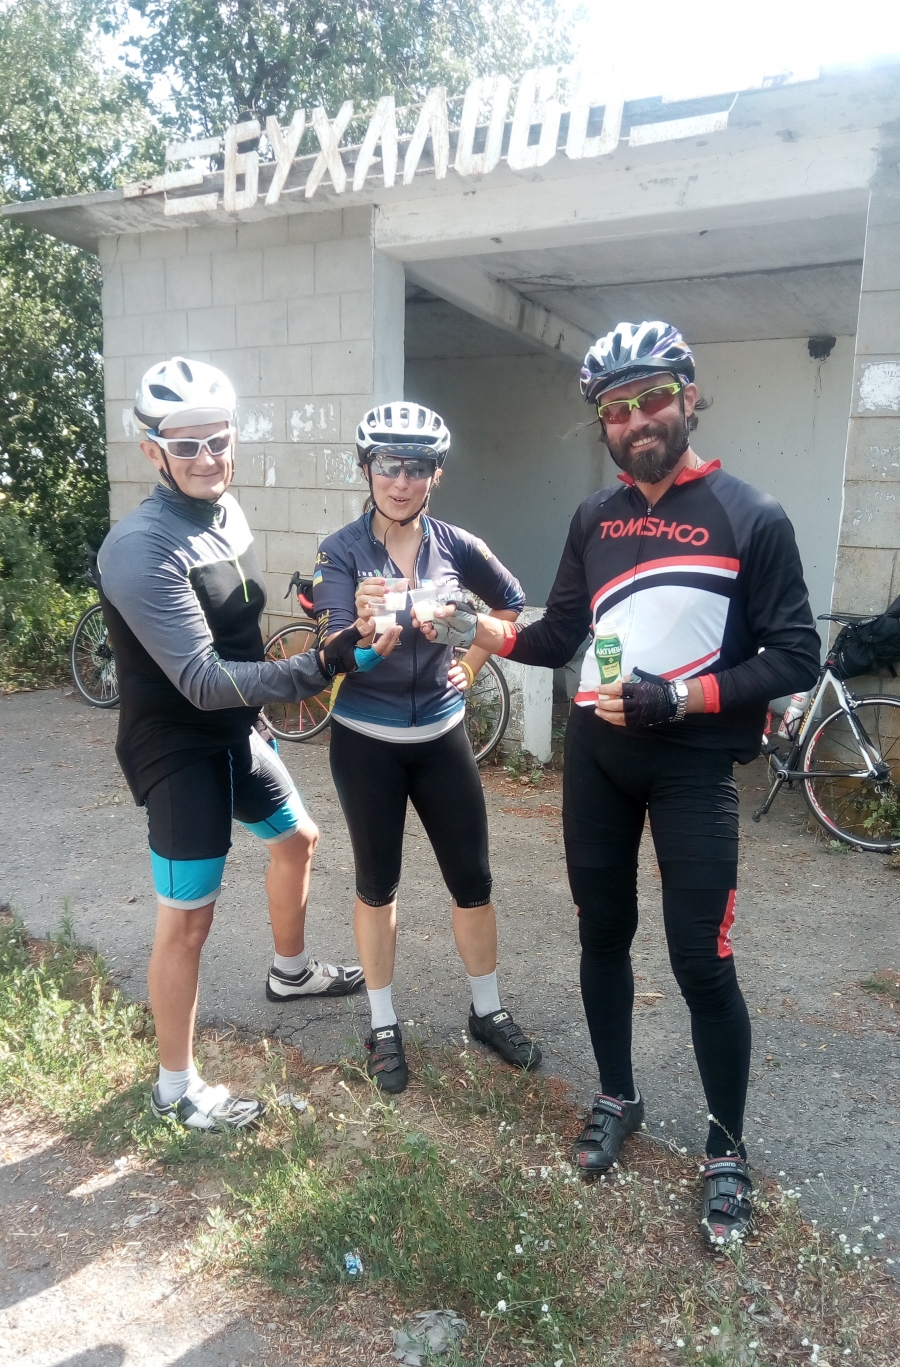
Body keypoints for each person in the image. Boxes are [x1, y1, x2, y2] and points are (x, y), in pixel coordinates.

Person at [461, 322, 820, 1245]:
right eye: (615, 410)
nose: (636, 420)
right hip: (598, 757)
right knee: (602, 936)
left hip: (693, 763)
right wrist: (472, 628)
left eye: (653, 398)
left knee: (702, 961)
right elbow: (557, 635)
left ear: (689, 398)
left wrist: (683, 696)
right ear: (604, 426)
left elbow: (796, 655)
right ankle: (618, 1096)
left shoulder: (751, 514)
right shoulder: (594, 517)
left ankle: (727, 1149)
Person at [97, 357, 389, 1131]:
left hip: (234, 727)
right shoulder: (140, 547)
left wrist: (288, 676)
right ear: (152, 451)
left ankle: (290, 973)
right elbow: (199, 677)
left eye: (218, 440)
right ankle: (175, 1088)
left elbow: (238, 633)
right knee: (188, 920)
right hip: (176, 748)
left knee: (297, 838)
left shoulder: (225, 514)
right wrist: (321, 665)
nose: (207, 458)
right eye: (185, 445)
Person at [312, 401, 541, 1093]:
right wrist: (359, 627)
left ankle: (487, 1010)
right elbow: (330, 648)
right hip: (367, 742)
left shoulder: (458, 545)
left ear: (436, 474)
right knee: (376, 884)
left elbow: (511, 605)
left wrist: (469, 658)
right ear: (366, 468)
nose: (401, 481)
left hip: (441, 738)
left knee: (473, 881)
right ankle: (383, 1024)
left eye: (416, 468)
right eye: (388, 465)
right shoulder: (340, 551)